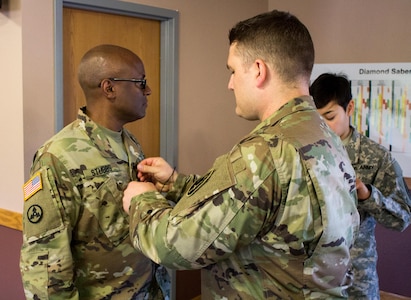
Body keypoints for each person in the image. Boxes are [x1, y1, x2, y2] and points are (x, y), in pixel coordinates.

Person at [122, 10, 360, 299]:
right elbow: (258, 203)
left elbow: (177, 246)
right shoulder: (323, 134)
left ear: (259, 70)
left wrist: (141, 200)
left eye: (233, 71)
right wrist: (175, 182)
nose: (230, 84)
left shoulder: (267, 152)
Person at [20, 44, 170, 299]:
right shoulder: (57, 157)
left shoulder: (130, 143)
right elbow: (44, 266)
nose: (148, 90)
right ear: (109, 88)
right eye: (140, 82)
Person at [310, 73, 411, 299]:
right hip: (314, 277)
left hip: (357, 276)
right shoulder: (305, 154)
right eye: (316, 119)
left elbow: (403, 217)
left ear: (350, 108)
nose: (322, 127)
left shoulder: (376, 158)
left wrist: (367, 196)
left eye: (329, 116)